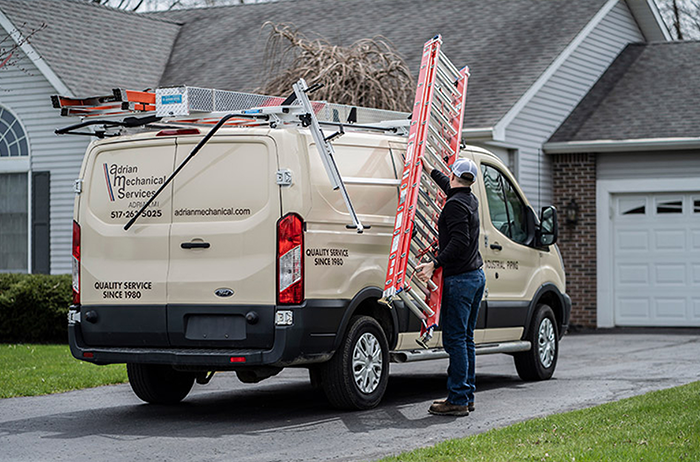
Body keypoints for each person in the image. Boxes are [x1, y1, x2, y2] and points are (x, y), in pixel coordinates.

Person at [416, 155, 486, 417]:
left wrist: (433, 264)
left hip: (460, 281)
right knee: (465, 340)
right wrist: (428, 169)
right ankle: (466, 396)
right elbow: (450, 186)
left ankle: (457, 399)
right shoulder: (468, 199)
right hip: (475, 277)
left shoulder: (455, 206)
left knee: (455, 341)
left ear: (455, 174)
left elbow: (458, 241)